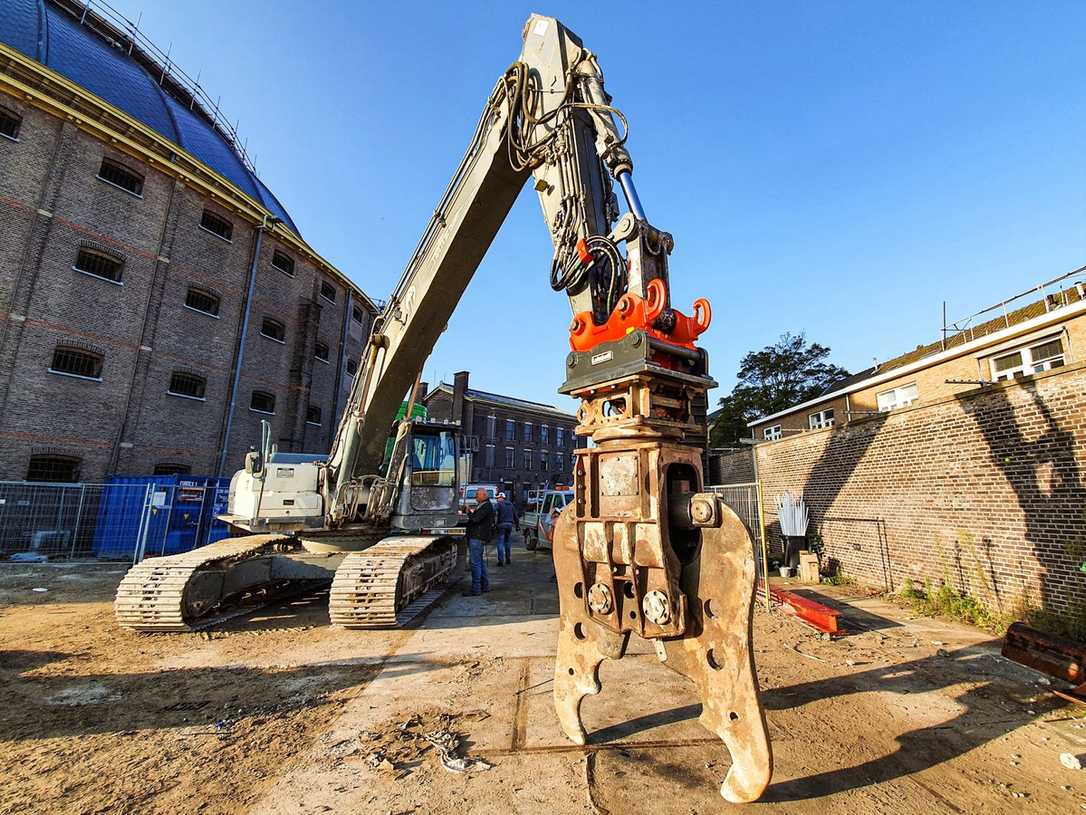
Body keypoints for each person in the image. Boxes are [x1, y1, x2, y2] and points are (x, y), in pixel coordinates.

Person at [463, 487, 495, 596]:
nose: (475, 496)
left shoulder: (486, 506)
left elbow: (476, 519)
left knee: (475, 563)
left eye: (477, 494)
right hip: (479, 537)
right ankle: (485, 586)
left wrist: (469, 512)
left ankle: (476, 588)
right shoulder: (484, 505)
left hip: (477, 537)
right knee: (480, 563)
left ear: (483, 496)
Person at [494, 492, 519, 566]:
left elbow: (493, 511)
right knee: (507, 542)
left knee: (500, 543)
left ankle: (501, 561)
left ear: (500, 498)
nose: (497, 500)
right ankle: (508, 559)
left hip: (501, 525)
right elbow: (515, 516)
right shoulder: (511, 504)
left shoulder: (499, 504)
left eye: (497, 498)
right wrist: (517, 525)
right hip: (510, 525)